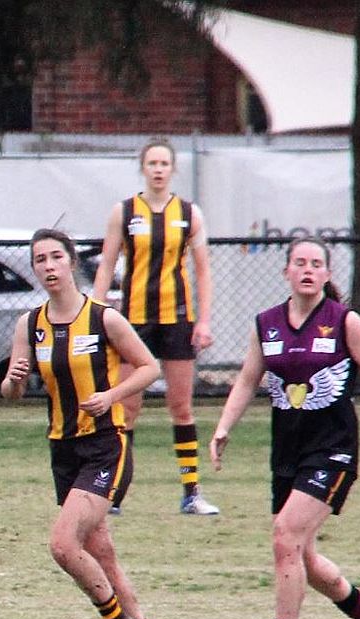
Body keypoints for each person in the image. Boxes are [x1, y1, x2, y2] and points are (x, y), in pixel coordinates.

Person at [209, 237, 360, 619]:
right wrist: (223, 427)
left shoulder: (345, 322)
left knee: (284, 536)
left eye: (316, 264)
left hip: (333, 450)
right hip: (288, 450)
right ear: (286, 272)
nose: (307, 269)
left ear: (327, 274)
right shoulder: (266, 324)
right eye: (299, 263)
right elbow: (249, 380)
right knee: (301, 554)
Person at [2, 228, 165, 619]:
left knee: (62, 544)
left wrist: (112, 396)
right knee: (101, 551)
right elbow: (11, 393)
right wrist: (15, 379)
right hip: (63, 448)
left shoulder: (103, 319)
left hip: (105, 446)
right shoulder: (29, 324)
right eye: (40, 260)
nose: (49, 266)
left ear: (72, 262)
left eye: (56, 256)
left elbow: (150, 367)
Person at [94, 138, 219, 516]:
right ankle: (114, 493)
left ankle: (191, 492)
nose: (159, 169)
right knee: (127, 407)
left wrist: (204, 321)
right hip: (134, 321)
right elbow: (106, 264)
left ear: (173, 169)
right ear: (143, 168)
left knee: (180, 407)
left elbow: (202, 271)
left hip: (177, 319)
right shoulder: (125, 212)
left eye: (165, 163)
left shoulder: (189, 213)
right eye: (152, 163)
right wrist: (96, 313)